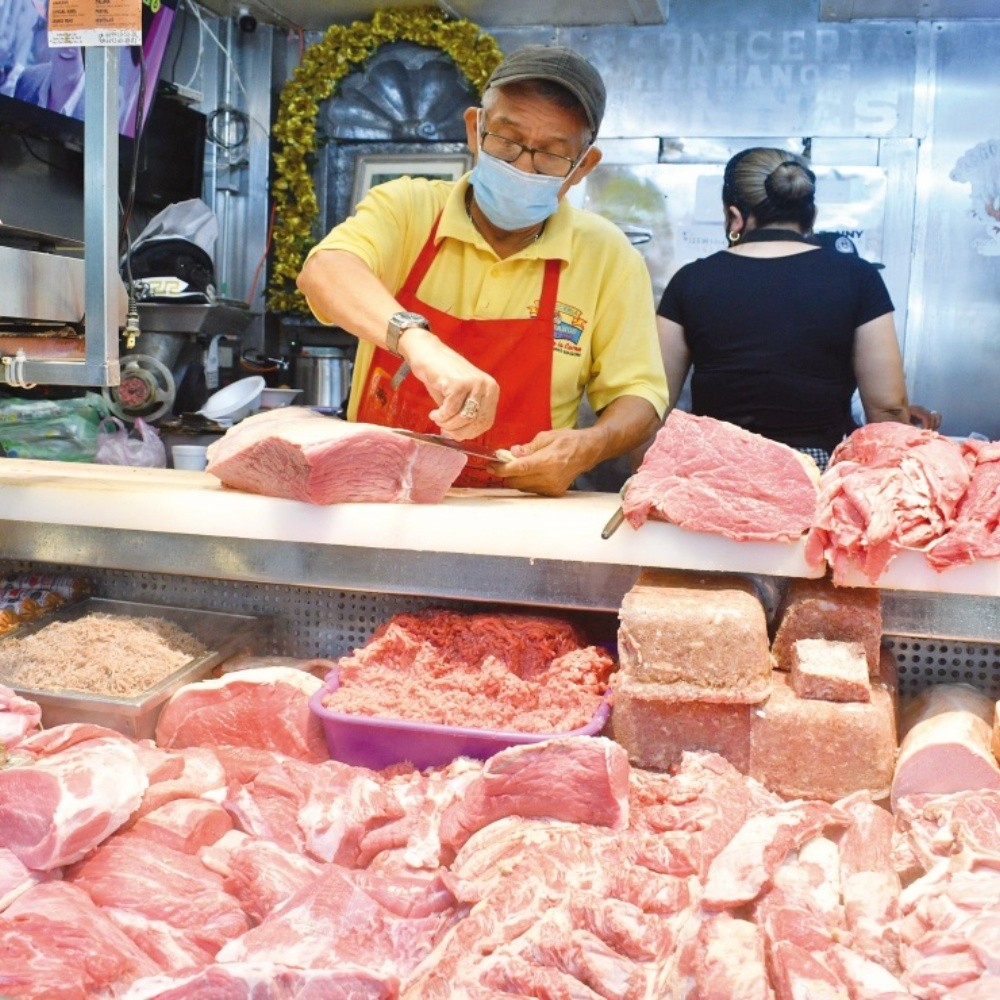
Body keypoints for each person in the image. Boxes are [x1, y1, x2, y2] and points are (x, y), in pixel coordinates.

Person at [296, 45, 668, 496]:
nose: (522, 165)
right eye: (506, 140)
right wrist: (419, 344)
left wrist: (590, 446)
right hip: (378, 498)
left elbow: (641, 396)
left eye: (551, 154)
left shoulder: (607, 256)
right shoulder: (409, 208)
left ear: (583, 166)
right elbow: (326, 270)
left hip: (517, 513)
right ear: (475, 129)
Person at [655, 146, 910, 471]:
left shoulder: (690, 281)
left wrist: (643, 484)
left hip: (715, 478)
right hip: (817, 480)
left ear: (735, 216)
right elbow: (888, 408)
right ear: (812, 215)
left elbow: (653, 404)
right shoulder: (858, 278)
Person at [811, 230, 942, 433]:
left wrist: (900, 416)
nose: (849, 289)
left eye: (854, 278)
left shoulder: (861, 332)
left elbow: (859, 403)